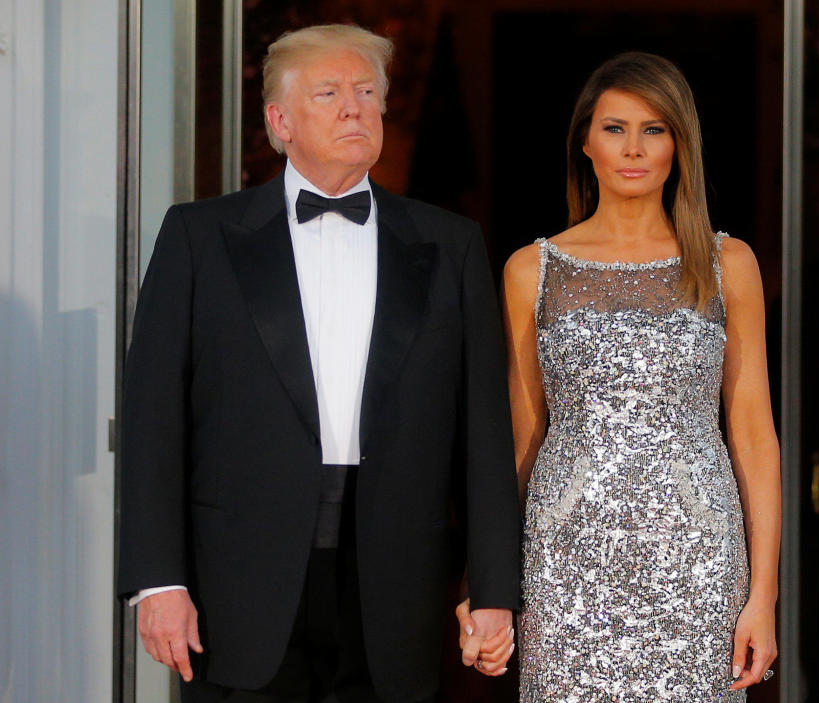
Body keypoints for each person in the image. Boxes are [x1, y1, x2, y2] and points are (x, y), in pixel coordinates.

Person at [117, 24, 519, 703]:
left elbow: (483, 430)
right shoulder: (199, 237)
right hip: (236, 590)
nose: (354, 108)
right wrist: (159, 580)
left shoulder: (449, 246)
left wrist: (494, 588)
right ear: (279, 120)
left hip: (394, 585)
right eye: (329, 92)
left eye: (367, 92)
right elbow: (153, 418)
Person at [458, 52, 781, 700]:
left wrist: (763, 596)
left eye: (654, 128)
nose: (633, 147)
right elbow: (521, 442)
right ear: (584, 140)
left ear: (678, 143)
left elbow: (754, 438)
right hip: (567, 561)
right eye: (614, 127)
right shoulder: (532, 269)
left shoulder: (728, 263)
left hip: (698, 559)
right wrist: (483, 583)